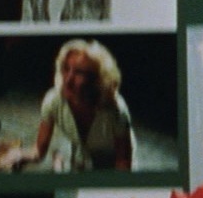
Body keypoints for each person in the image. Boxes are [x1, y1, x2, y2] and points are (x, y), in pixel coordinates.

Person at [32, 38, 133, 172]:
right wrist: (18, 156)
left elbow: (123, 161)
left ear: (98, 79)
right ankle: (60, 158)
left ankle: (60, 158)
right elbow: (39, 151)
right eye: (66, 68)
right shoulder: (53, 99)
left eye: (79, 72)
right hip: (78, 157)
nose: (68, 79)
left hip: (108, 162)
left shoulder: (116, 109)